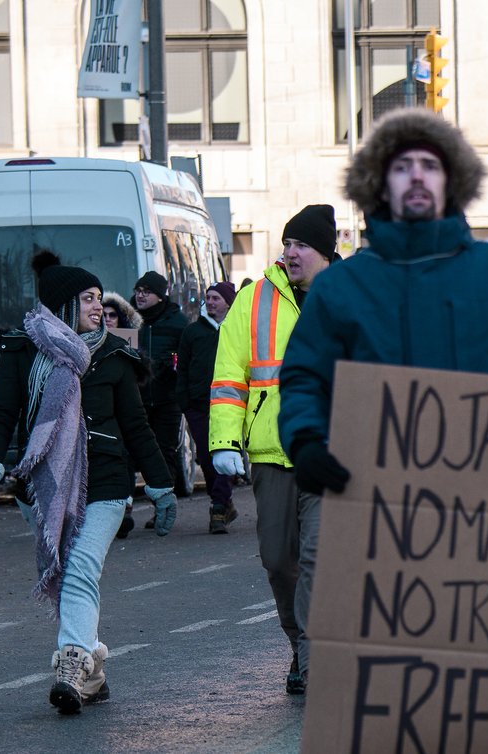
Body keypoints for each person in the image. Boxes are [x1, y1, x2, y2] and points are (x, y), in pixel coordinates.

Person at [275, 109, 488, 687]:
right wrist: (307, 437)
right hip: (377, 517)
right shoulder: (342, 287)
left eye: (430, 166)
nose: (415, 178)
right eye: (400, 167)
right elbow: (305, 376)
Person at [0, 252, 177, 714]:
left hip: (105, 482)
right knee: (66, 577)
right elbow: (1, 414)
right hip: (42, 487)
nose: (98, 308)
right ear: (63, 305)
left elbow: (137, 427)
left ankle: (70, 666)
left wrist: (160, 486)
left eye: (100, 299)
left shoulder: (115, 355)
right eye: (88, 299)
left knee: (81, 569)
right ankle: (93, 671)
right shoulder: (23, 350)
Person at [209, 204, 337, 695]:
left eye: (301, 244)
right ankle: (299, 642)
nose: (290, 252)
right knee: (277, 558)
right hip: (272, 451)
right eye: (286, 243)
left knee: (317, 559)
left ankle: (312, 656)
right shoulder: (254, 298)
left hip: (333, 455)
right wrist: (223, 441)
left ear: (325, 253)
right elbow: (228, 377)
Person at [178, 281, 237, 534]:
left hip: (230, 403)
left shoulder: (237, 329)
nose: (211, 302)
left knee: (222, 454)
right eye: (208, 298)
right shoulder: (193, 332)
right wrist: (185, 401)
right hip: (198, 404)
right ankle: (224, 501)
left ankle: (219, 507)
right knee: (205, 455)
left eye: (216, 298)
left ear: (227, 302)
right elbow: (182, 369)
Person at [132, 271, 190, 507]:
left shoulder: (177, 321)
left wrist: (172, 360)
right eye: (138, 291)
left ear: (159, 295)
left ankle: (163, 505)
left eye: (146, 292)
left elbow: (186, 356)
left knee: (165, 451)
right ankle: (126, 507)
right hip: (137, 398)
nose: (140, 296)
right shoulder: (129, 319)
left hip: (167, 398)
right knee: (136, 451)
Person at [102, 292, 144, 539]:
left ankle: (125, 509)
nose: (107, 319)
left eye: (112, 315)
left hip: (124, 413)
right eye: (104, 315)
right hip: (101, 414)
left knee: (126, 460)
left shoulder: (129, 343)